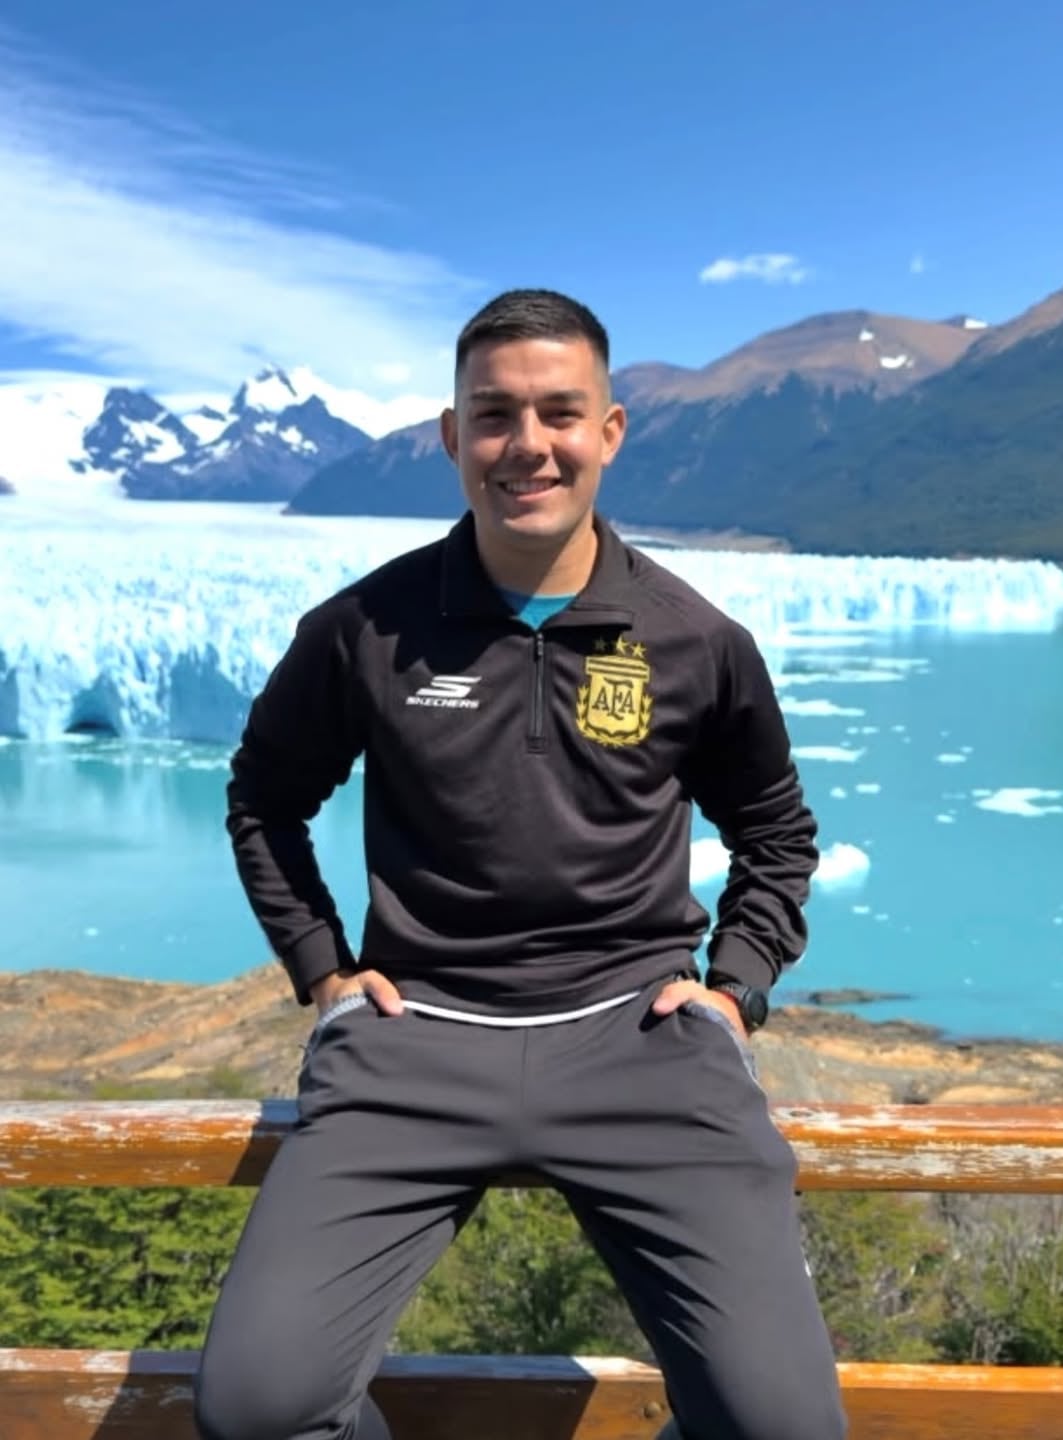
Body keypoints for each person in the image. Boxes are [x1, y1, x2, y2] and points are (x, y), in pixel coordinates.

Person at [195, 289, 848, 1440]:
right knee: (257, 1410)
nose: (527, 445)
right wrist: (322, 971)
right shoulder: (365, 629)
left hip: (639, 1042)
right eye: (494, 415)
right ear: (453, 436)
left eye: (560, 412)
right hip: (417, 1042)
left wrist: (735, 990)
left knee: (781, 1428)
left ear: (611, 431)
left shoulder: (696, 639)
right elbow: (264, 797)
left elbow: (776, 832)